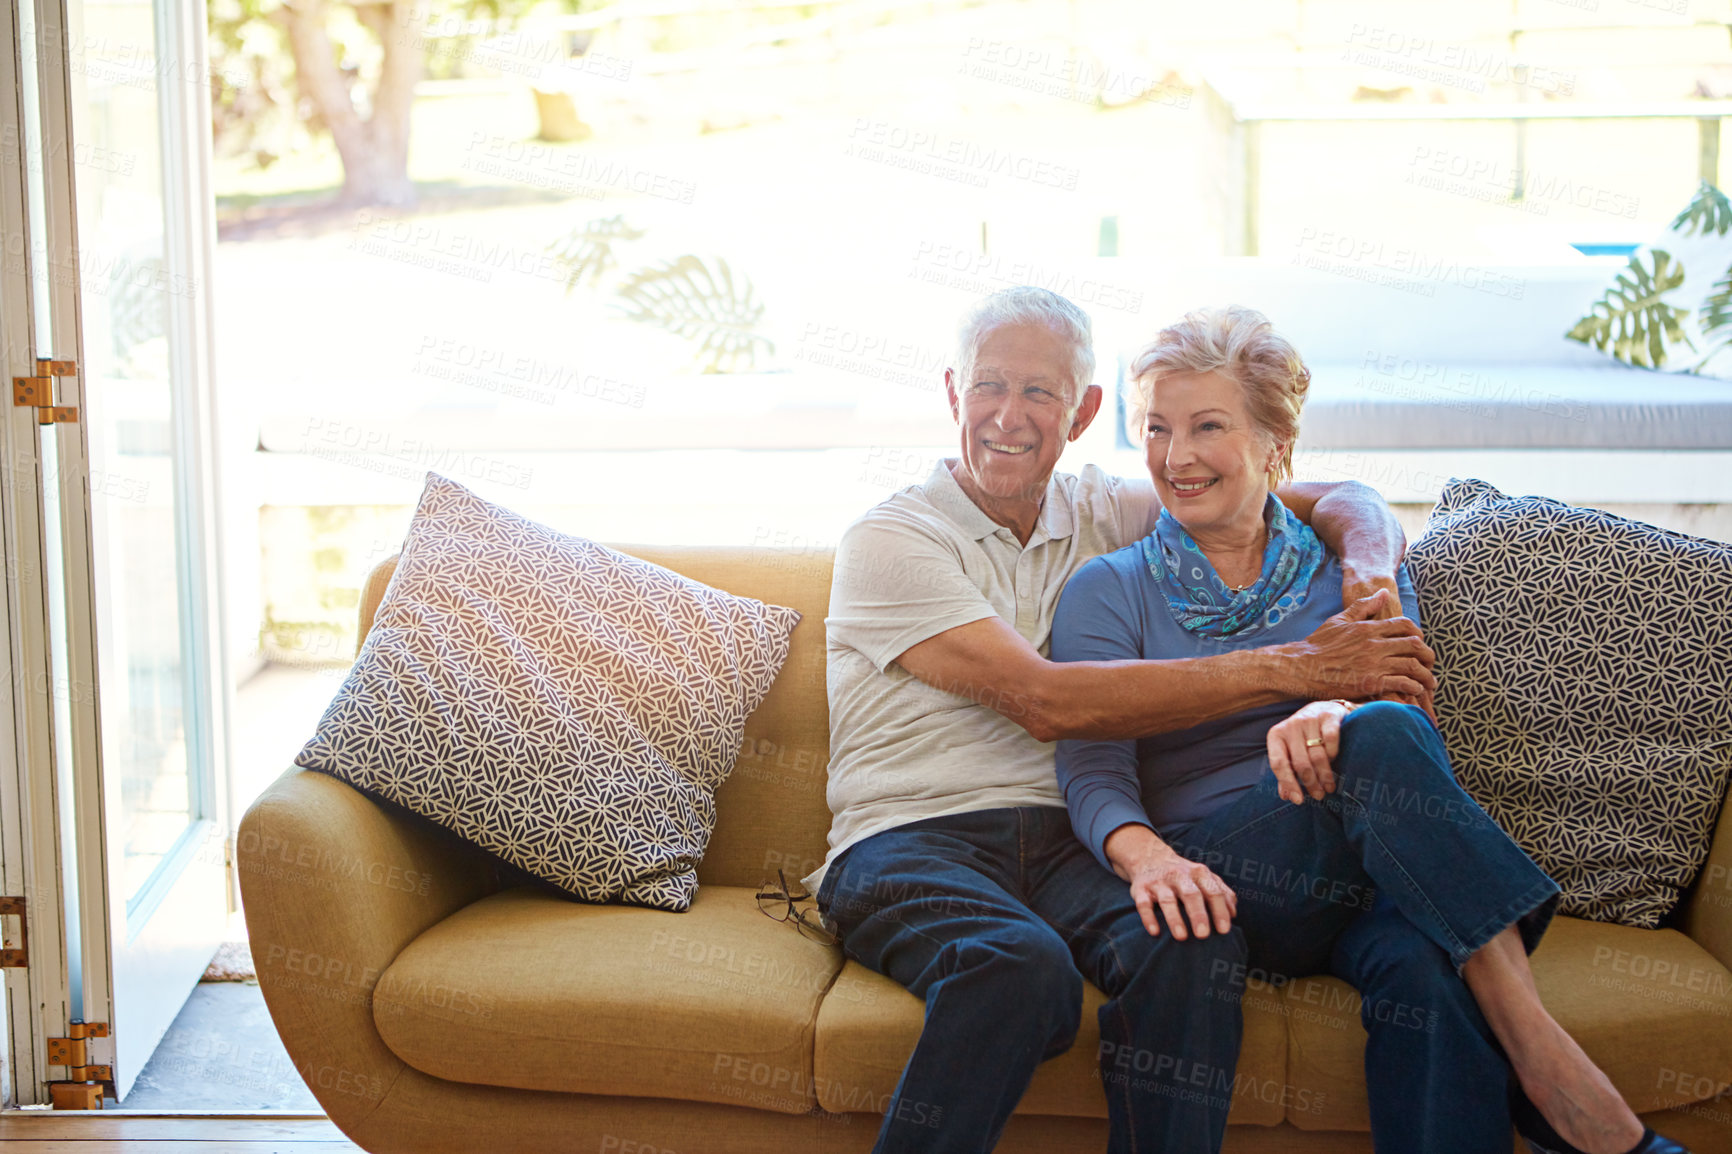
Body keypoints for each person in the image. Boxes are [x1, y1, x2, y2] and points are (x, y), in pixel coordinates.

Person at [805, 286, 1440, 1154]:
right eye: (989, 387)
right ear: (954, 394)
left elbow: (1338, 497)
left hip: (1069, 844)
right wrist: (1302, 670)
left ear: (1083, 412)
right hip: (910, 838)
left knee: (1193, 939)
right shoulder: (893, 539)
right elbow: (1046, 702)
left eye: (1040, 393)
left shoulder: (1103, 510)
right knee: (1018, 971)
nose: (1008, 417)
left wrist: (1369, 572)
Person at [1050, 304, 1686, 1154]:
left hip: (1374, 872)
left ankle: (1520, 1056)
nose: (1176, 456)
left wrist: (1334, 712)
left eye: (1208, 426)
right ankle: (1548, 1065)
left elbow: (1412, 732)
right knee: (1376, 734)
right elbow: (1091, 770)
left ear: (1278, 447)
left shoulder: (1358, 580)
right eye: (1157, 428)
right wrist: (1153, 858)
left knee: (1424, 967)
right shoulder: (1110, 588)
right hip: (1235, 870)